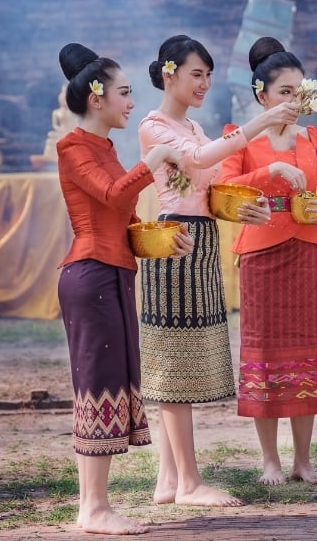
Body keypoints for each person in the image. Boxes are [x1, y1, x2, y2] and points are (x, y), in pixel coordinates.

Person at [137, 34, 285, 507]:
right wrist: (259, 124)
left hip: (199, 243)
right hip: (175, 243)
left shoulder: (197, 129)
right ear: (169, 73)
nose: (203, 83)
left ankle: (167, 480)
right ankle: (189, 483)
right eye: (195, 74)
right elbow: (197, 163)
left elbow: (214, 188)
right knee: (175, 367)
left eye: (207, 75)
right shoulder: (153, 126)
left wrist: (247, 205)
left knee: (182, 362)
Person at [55, 42, 192, 535]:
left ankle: (96, 506)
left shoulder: (107, 150)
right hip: (89, 276)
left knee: (110, 385)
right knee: (96, 388)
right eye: (125, 92)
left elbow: (124, 216)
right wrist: (154, 159)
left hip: (111, 274)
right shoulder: (72, 147)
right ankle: (92, 510)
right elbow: (112, 194)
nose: (131, 103)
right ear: (97, 98)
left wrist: (160, 242)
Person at [219, 36, 317, 485]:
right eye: (285, 93)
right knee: (266, 353)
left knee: (308, 353)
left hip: (308, 252)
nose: (295, 101)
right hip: (260, 255)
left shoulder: (313, 137)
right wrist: (271, 171)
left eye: (300, 92)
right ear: (262, 95)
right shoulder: (239, 137)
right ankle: (270, 461)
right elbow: (225, 189)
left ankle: (303, 459)